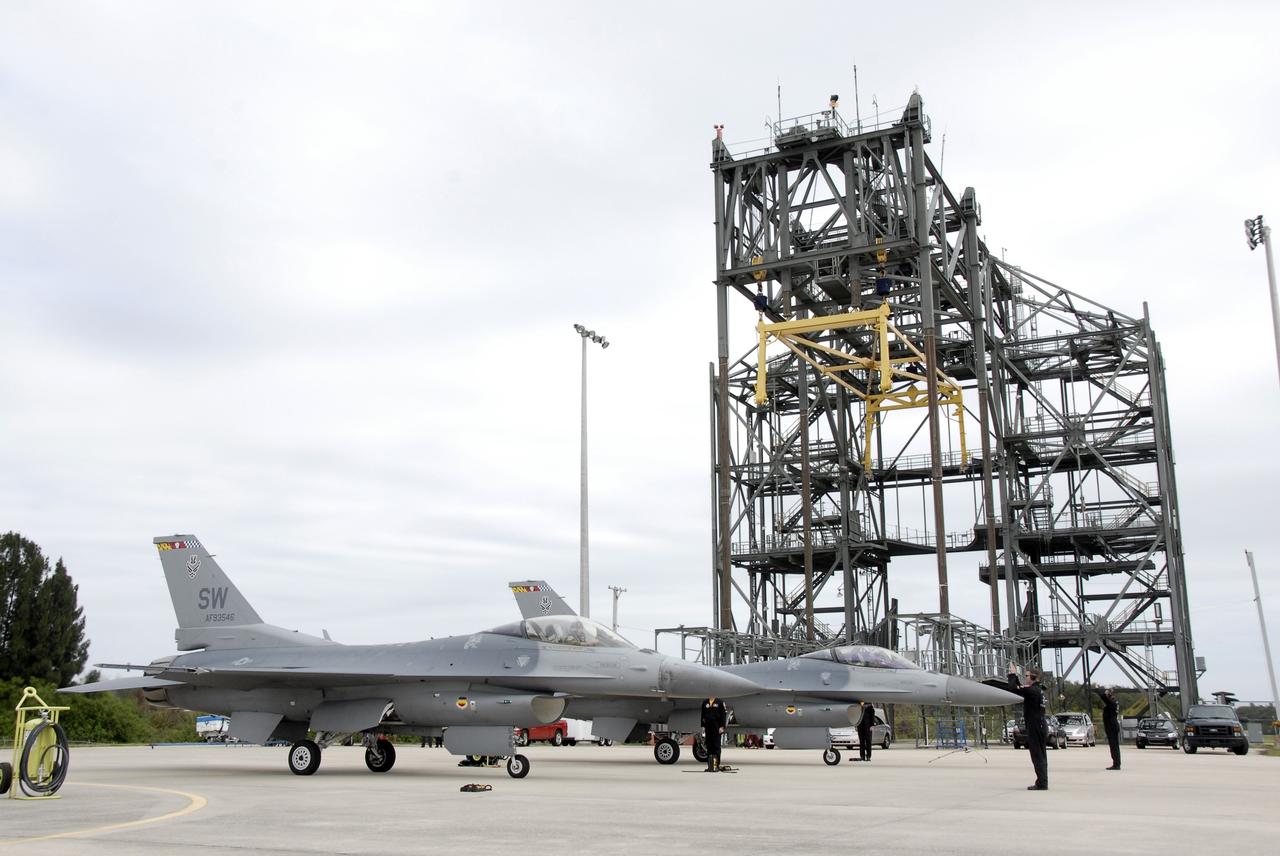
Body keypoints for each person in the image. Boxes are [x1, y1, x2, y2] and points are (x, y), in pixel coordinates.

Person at [1006, 662, 1049, 790]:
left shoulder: (1033, 691)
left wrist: (1012, 674)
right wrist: (1015, 677)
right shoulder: (1038, 690)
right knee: (1041, 755)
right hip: (1040, 725)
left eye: (1027, 676)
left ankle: (1042, 783)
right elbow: (1020, 687)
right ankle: (1042, 781)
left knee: (1037, 755)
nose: (1025, 678)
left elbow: (1013, 688)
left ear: (1033, 677)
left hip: (1035, 726)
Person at [1095, 686, 1121, 770]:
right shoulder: (1114, 702)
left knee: (1114, 746)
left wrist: (1099, 690)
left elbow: (1104, 698)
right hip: (1112, 726)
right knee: (1114, 746)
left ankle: (1116, 764)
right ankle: (1116, 763)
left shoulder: (1112, 703)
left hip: (1111, 726)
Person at [701, 696, 729, 771]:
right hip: (708, 726)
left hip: (716, 726)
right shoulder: (705, 702)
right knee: (709, 746)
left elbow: (723, 714)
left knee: (716, 746)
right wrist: (703, 726)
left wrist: (722, 726)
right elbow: (702, 715)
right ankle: (710, 766)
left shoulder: (720, 702)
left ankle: (716, 765)